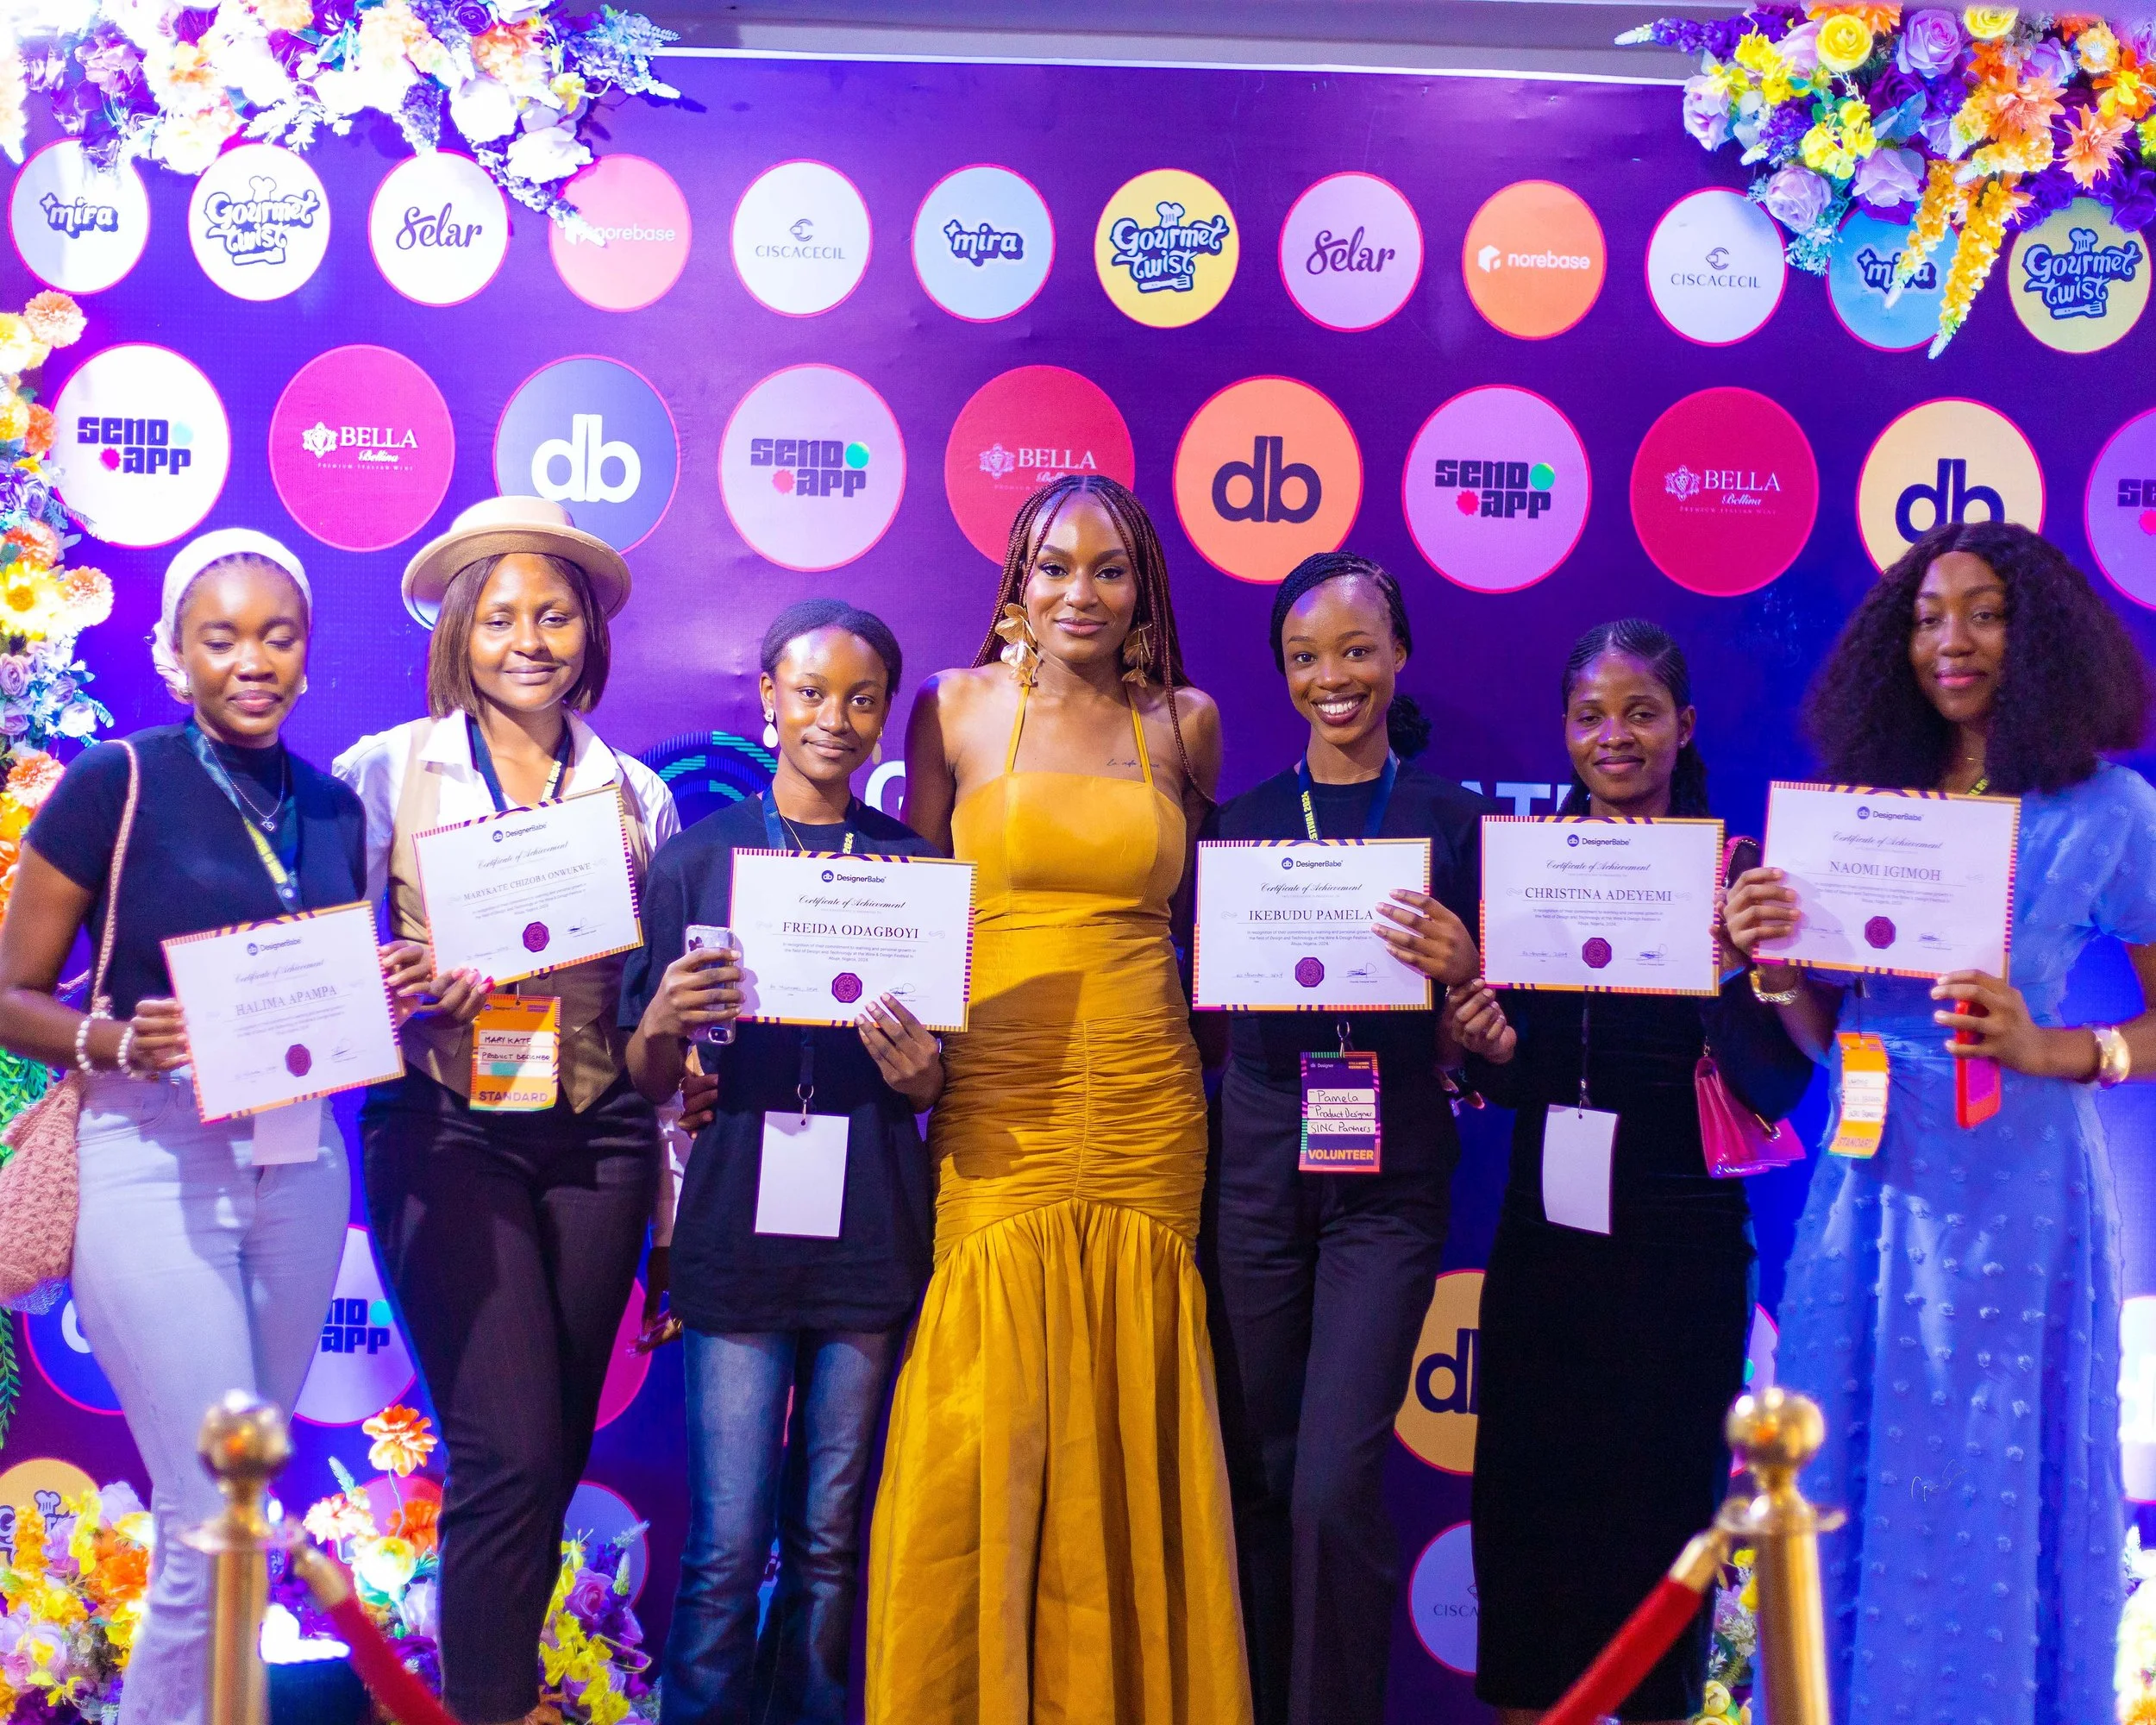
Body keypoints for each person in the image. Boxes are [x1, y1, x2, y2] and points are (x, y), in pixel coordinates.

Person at [1724, 521, 2156, 1725]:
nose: (1949, 641)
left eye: (1982, 613)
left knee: (1991, 1475)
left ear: (2043, 635)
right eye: (1924, 618)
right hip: (1871, 1187)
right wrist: (1772, 967)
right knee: (1848, 1468)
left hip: (2021, 1193)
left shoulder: (2108, 808)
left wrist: (2061, 1049)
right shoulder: (1869, 809)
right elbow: (1831, 1035)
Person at [0, 530, 418, 1725]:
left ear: (306, 651)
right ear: (175, 654)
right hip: (151, 1158)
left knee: (235, 1517)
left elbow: (325, 982)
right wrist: (120, 1042)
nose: (252, 660)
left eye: (277, 636)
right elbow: (9, 993)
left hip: (298, 1168)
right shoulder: (115, 784)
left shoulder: (335, 808)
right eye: (221, 637)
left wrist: (381, 988)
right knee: (210, 1514)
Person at [866, 474, 1251, 1723]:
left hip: (1147, 1089)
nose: (1078, 591)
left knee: (1133, 1383)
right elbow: (911, 905)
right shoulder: (954, 709)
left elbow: (1213, 928)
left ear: (1143, 593)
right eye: (1053, 566)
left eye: (1108, 569)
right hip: (1000, 1089)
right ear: (1015, 587)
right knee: (992, 1399)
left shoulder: (1184, 723)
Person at [335, 496, 679, 1725]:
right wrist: (397, 985)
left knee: (552, 1461)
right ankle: (484, 1707)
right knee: (509, 1450)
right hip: (445, 1126)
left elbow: (652, 1019)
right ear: (459, 635)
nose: (529, 639)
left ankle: (485, 1693)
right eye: (500, 618)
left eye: (554, 615)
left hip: (600, 1138)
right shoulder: (386, 770)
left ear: (589, 631)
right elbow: (319, 980)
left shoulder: (636, 793)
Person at [1450, 619, 1813, 1725]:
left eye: (1641, 711)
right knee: (1527, 1520)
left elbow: (1776, 1086)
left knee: (1676, 1523)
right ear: (1563, 731)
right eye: (1590, 715)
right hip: (1543, 1244)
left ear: (1684, 726)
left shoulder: (1736, 873)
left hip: (1686, 1247)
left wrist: (1741, 964)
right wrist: (1491, 1047)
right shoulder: (1522, 866)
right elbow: (1508, 1076)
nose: (1614, 736)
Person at [622, 600, 941, 1725]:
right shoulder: (697, 860)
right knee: (726, 1541)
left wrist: (922, 1080)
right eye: (812, 693)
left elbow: (942, 1076)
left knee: (830, 1543)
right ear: (767, 697)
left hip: (870, 1230)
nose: (836, 720)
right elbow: (651, 1075)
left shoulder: (916, 870)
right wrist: (660, 1018)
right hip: (736, 1231)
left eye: (863, 700)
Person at [1202, 552, 1488, 1725]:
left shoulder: (1452, 821)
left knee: (1330, 1488)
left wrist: (1467, 974)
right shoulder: (1244, 825)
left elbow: (1489, 1034)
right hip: (1261, 1156)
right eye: (1307, 657)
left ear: (1400, 655)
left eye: (1359, 650)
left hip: (1390, 1166)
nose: (1335, 677)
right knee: (1260, 1475)